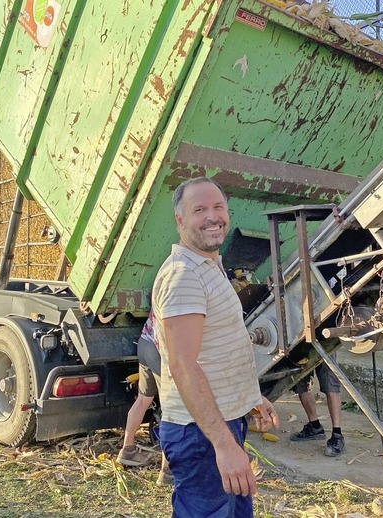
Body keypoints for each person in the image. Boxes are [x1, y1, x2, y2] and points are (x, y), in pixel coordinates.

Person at [152, 177, 279, 517]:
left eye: (218, 207)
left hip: (219, 424)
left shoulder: (208, 266)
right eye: (200, 210)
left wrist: (250, 397)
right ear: (181, 221)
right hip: (201, 435)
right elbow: (183, 365)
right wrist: (223, 445)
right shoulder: (184, 276)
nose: (213, 217)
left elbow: (217, 350)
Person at [116, 310, 173, 486]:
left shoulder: (164, 285)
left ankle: (128, 450)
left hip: (145, 343)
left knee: (143, 399)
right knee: (171, 408)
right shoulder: (185, 290)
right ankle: (167, 471)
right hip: (158, 349)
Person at [290, 360, 345, 457]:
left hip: (324, 346)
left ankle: (337, 435)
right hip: (298, 348)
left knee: (330, 384)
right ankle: (314, 427)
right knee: (301, 383)